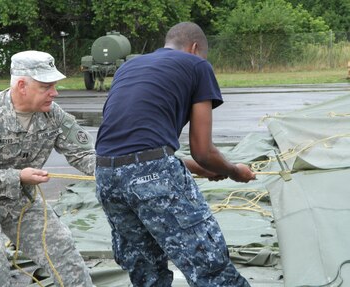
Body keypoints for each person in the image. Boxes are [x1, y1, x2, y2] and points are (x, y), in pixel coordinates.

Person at [94, 22, 256, 286]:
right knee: (210, 266)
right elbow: (203, 151)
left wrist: (200, 169)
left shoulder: (128, 67)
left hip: (105, 175)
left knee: (146, 272)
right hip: (151, 175)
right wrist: (235, 171)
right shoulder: (197, 66)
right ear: (195, 48)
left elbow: (130, 150)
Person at [0, 50, 95, 287]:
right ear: (22, 85)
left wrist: (112, 171)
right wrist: (19, 176)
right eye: (46, 87)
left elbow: (84, 153)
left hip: (20, 200)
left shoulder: (53, 114)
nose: (54, 93)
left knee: (64, 253)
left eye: (54, 86)